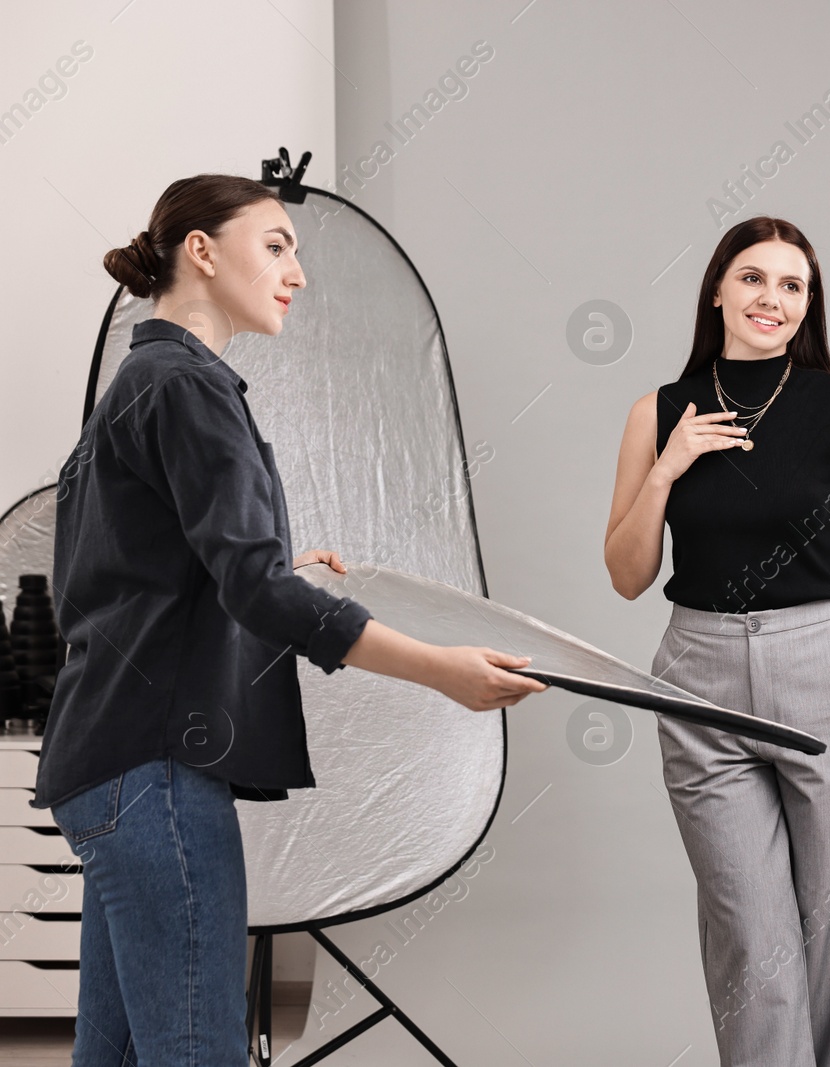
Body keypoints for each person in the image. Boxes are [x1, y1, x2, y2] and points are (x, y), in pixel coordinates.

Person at [30, 173, 548, 1066]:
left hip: (102, 767)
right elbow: (256, 594)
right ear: (201, 250)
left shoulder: (138, 382)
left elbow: (113, 585)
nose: (297, 274)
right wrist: (444, 670)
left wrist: (272, 568)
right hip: (152, 772)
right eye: (276, 245)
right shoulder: (189, 385)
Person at [604, 216, 830, 1067]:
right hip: (698, 676)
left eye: (792, 286)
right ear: (718, 289)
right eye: (754, 278)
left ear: (808, 306)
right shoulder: (656, 411)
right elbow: (625, 573)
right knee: (750, 943)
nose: (772, 298)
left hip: (822, 670)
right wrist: (667, 465)